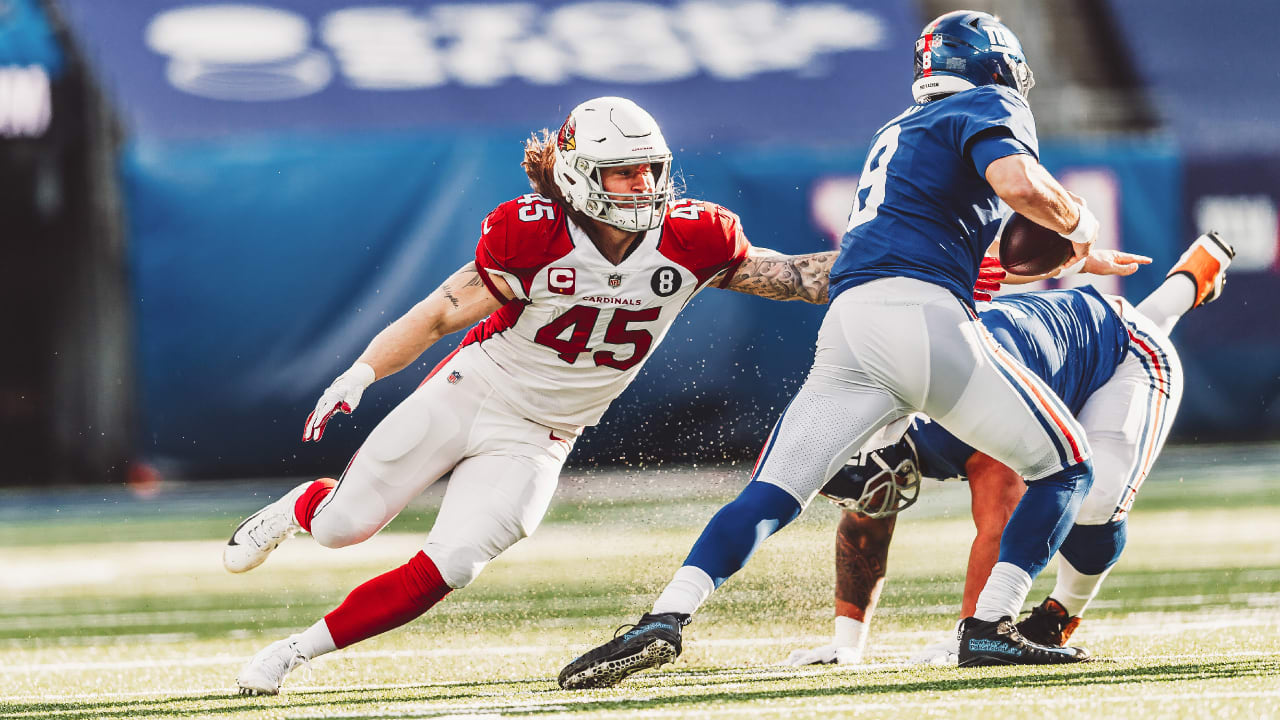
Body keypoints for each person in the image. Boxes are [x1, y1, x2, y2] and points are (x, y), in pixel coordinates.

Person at [558, 10, 1152, 688]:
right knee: (1069, 465)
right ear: (997, 67)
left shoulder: (898, 129)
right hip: (923, 318)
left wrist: (1066, 251)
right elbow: (1017, 186)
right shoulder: (991, 103)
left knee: (774, 492)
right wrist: (1080, 218)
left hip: (851, 319)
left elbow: (939, 237)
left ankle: (665, 616)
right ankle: (990, 628)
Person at [223, 96, 841, 695]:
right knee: (341, 529)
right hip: (475, 391)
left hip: (545, 432)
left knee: (455, 564)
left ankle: (293, 653)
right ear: (579, 176)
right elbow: (441, 313)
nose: (643, 185)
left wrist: (899, 262)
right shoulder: (530, 233)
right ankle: (305, 506)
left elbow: (792, 276)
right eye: (623, 173)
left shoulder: (694, 236)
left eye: (650, 169)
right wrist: (360, 374)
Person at [785, 232, 1235, 667]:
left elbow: (1001, 524)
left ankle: (1061, 613)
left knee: (1093, 501)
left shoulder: (963, 409)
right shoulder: (876, 402)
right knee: (879, 495)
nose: (881, 502)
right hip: (1057, 346)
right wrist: (848, 644)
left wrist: (969, 632)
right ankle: (1189, 282)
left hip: (1124, 355)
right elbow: (864, 524)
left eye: (881, 482)